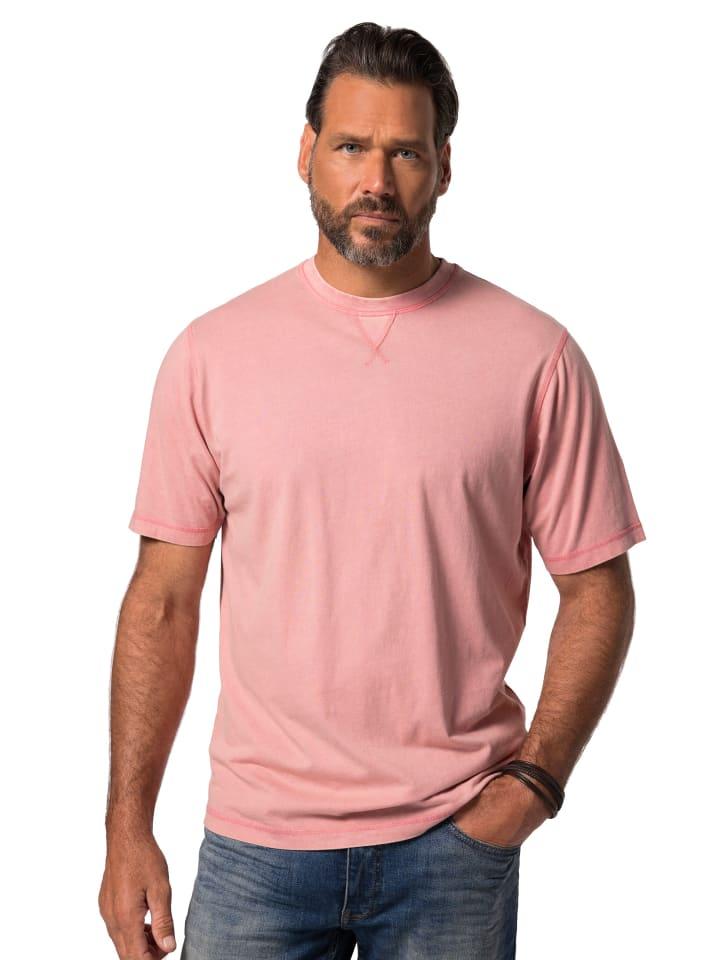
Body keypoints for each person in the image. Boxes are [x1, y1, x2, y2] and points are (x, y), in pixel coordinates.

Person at [99, 20, 647, 960]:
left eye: (405, 152)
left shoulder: (536, 356)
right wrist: (126, 829)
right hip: (257, 846)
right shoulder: (212, 355)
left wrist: (534, 785)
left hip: (454, 842)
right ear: (306, 154)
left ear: (444, 166)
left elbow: (598, 590)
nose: (377, 181)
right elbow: (161, 604)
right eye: (352, 146)